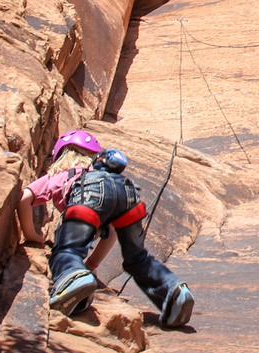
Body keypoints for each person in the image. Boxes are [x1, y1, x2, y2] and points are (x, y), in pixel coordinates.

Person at [17, 129, 195, 327]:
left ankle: (71, 281)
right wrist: (91, 266)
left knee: (67, 250)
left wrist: (31, 235)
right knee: (136, 258)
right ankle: (174, 291)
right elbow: (109, 234)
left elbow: (25, 197)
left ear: (61, 155)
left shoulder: (62, 174)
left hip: (91, 193)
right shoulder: (102, 171)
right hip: (126, 192)